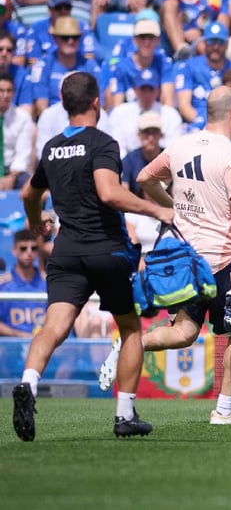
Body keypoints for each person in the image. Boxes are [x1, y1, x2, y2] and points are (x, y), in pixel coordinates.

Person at [107, 86, 231, 425]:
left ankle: (130, 344)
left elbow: (145, 177)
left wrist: (173, 208)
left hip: (186, 258)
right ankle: (224, 410)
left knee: (184, 332)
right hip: (220, 257)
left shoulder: (181, 144)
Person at [12, 71, 173, 441]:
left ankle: (28, 384)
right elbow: (109, 193)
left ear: (65, 104)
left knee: (53, 328)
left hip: (66, 251)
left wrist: (37, 225)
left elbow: (27, 195)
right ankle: (125, 414)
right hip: (106, 248)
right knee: (130, 327)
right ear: (97, 102)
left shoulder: (51, 147)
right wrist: (158, 211)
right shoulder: (102, 142)